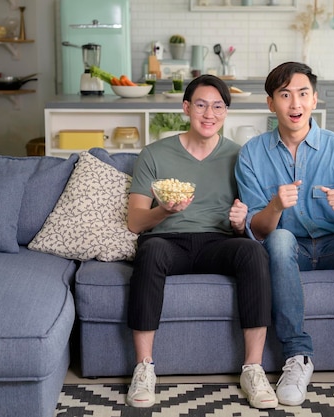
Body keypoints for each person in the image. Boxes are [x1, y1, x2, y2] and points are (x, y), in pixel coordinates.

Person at [234, 62, 334, 406]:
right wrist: (275, 206)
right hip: (287, 249)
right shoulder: (251, 154)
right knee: (279, 238)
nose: (294, 104)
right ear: (270, 103)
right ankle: (298, 358)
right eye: (284, 95)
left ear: (314, 100)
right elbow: (257, 229)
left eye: (302, 94)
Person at [125, 74, 277, 410]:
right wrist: (162, 211)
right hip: (167, 239)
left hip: (219, 241)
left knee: (253, 252)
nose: (209, 114)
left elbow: (253, 223)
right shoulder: (154, 154)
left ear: (226, 112)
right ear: (185, 108)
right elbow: (135, 222)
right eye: (201, 105)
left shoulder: (241, 156)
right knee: (149, 252)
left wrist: (241, 224)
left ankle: (253, 369)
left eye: (218, 107)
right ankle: (144, 368)